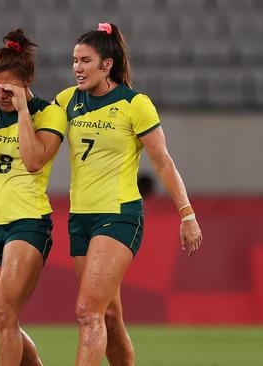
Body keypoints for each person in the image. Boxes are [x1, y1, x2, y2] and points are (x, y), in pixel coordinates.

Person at [53, 23, 203, 366]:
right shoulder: (67, 101)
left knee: (87, 310)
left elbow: (163, 163)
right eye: (74, 60)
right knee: (108, 317)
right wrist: (1, 100)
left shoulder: (135, 104)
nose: (76, 67)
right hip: (81, 219)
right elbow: (34, 123)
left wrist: (187, 214)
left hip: (119, 215)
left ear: (107, 64)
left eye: (85, 60)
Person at [0, 29, 67, 366]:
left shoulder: (48, 113)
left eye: (8, 89)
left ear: (26, 82)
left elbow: (35, 160)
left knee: (5, 310)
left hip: (27, 221)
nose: (2, 95)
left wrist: (23, 111)